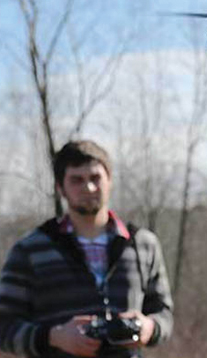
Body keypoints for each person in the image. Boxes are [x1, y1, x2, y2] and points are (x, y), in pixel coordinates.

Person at [0, 140, 173, 357]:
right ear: (60, 187)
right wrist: (54, 336)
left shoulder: (143, 245)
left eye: (95, 178)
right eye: (77, 180)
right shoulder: (30, 251)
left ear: (110, 181)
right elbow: (4, 326)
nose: (88, 187)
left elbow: (164, 314)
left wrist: (149, 327)